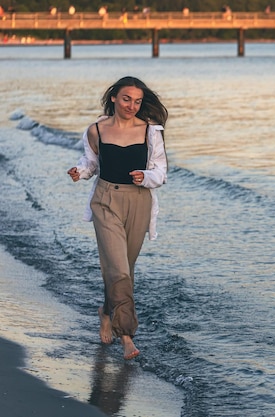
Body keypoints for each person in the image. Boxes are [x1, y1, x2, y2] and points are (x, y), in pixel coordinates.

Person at [67, 76, 168, 360]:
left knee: (124, 269)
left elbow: (160, 171)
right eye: (126, 99)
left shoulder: (150, 131)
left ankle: (105, 311)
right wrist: (79, 171)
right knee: (119, 270)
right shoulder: (96, 130)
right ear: (114, 98)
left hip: (139, 201)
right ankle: (127, 336)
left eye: (137, 101)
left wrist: (145, 176)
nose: (132, 106)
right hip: (106, 200)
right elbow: (91, 163)